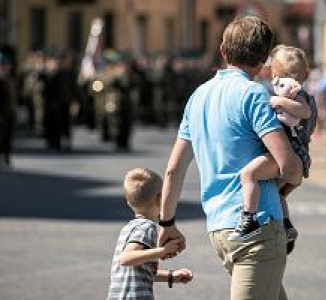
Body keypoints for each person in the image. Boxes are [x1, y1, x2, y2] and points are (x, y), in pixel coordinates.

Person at [158, 16, 303, 300]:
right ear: (264, 59)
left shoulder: (198, 96)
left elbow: (174, 169)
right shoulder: (253, 95)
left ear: (223, 51)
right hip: (258, 227)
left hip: (220, 229)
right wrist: (291, 177)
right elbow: (290, 166)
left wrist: (167, 224)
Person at [228, 45, 317, 257]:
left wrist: (278, 101)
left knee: (249, 174)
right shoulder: (298, 92)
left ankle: (248, 220)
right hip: (299, 155)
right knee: (278, 195)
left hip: (290, 152)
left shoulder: (296, 94)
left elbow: (304, 112)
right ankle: (287, 226)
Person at [107, 168, 193, 299]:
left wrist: (170, 276)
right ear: (160, 199)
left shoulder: (129, 227)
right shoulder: (147, 227)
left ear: (128, 202)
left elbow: (140, 272)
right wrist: (163, 250)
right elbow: (125, 259)